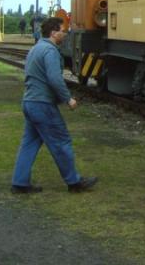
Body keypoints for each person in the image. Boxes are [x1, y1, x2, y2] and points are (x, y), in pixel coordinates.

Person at [10, 16, 97, 194]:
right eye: (63, 31)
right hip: (42, 105)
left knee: (30, 143)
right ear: (53, 33)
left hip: (29, 102)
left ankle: (19, 182)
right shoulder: (50, 51)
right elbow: (55, 79)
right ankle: (74, 182)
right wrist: (68, 98)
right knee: (61, 141)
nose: (65, 34)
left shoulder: (35, 48)